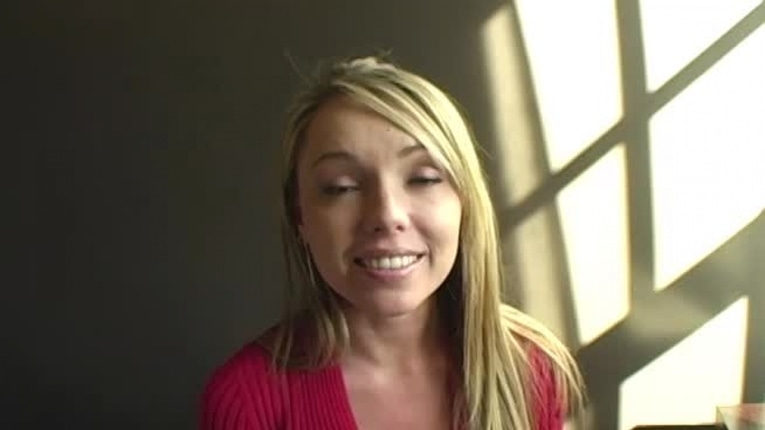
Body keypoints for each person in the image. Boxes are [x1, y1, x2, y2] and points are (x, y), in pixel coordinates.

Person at [200, 55, 585, 430]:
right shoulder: (247, 400)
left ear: (465, 202)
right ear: (299, 215)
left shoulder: (530, 371)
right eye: (341, 187)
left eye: (423, 179)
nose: (386, 215)